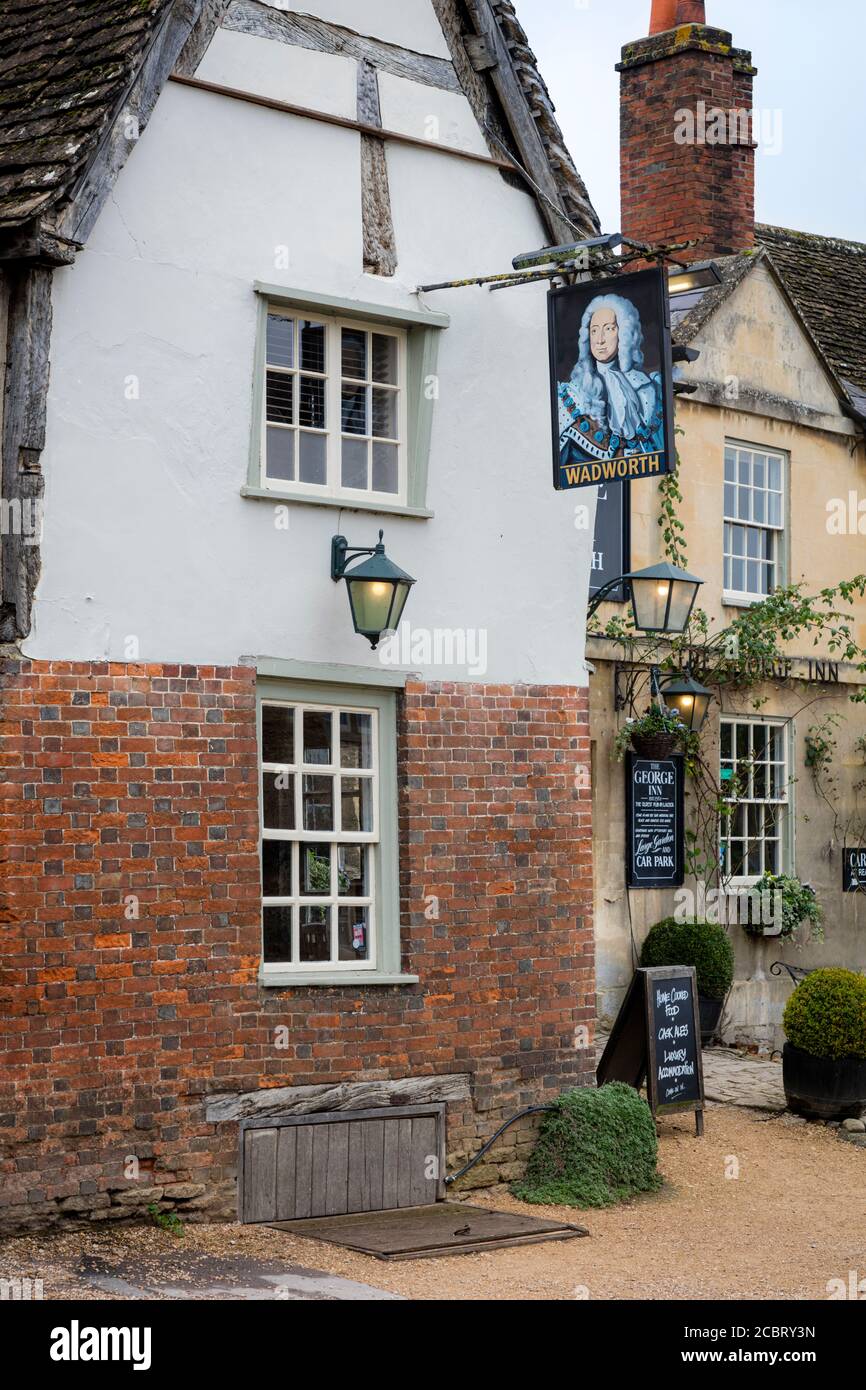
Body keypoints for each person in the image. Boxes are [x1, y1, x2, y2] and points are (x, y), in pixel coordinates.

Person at [558, 294, 665, 465]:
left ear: (623, 331)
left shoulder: (648, 390)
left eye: (608, 329)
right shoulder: (571, 395)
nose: (599, 339)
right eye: (594, 331)